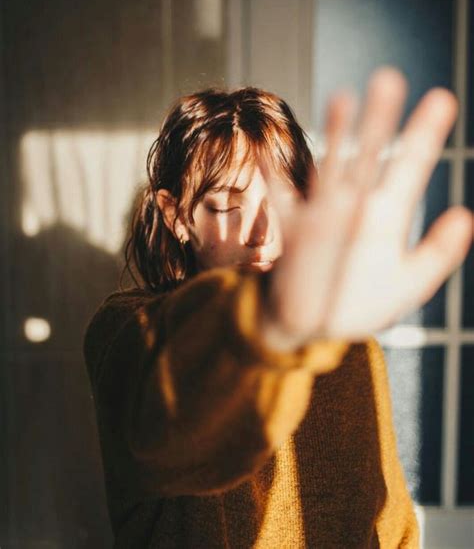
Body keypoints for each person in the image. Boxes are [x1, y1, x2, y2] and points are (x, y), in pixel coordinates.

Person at [84, 68, 473, 548]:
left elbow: (390, 526)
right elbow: (177, 428)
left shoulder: (350, 348)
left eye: (283, 201)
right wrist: (271, 326)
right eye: (227, 205)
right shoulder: (128, 333)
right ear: (177, 216)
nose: (262, 235)